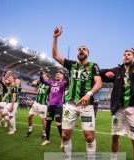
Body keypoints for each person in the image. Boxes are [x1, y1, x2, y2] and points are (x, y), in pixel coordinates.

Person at [52, 27, 102, 159]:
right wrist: (55, 38)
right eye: (79, 49)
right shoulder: (71, 65)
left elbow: (99, 83)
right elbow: (55, 55)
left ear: (88, 54)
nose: (81, 50)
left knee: (89, 137)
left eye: (84, 49)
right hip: (70, 104)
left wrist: (88, 94)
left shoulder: (93, 66)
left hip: (87, 105)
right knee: (64, 135)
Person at [39, 69, 69, 147]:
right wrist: (41, 75)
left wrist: (65, 75)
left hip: (58, 107)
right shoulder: (51, 83)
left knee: (58, 123)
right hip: (51, 107)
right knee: (48, 123)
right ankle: (47, 140)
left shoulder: (63, 83)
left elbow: (69, 82)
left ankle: (62, 141)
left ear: (62, 76)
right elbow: (42, 81)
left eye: (59, 74)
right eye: (56, 74)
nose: (57, 75)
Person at [25, 72, 50, 139]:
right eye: (43, 76)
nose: (43, 77)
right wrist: (39, 79)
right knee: (29, 116)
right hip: (36, 103)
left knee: (43, 119)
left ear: (47, 78)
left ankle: (44, 134)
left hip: (43, 105)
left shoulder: (49, 85)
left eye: (45, 76)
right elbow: (33, 83)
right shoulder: (40, 83)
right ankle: (30, 130)